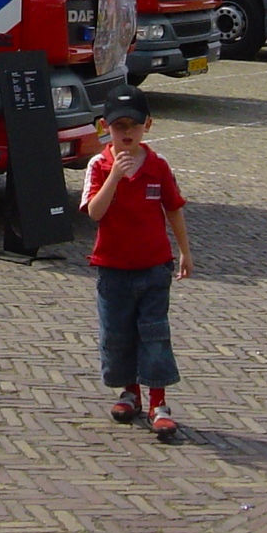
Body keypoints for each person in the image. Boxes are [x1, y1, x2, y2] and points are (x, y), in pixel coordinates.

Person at [81, 84, 192, 440]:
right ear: (105, 128)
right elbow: (95, 213)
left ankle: (159, 402)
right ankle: (129, 392)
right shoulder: (98, 165)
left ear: (148, 125)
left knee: (155, 334)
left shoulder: (158, 165)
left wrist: (184, 251)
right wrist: (115, 176)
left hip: (153, 266)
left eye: (133, 125)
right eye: (118, 126)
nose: (126, 133)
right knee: (117, 333)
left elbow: (172, 208)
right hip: (112, 268)